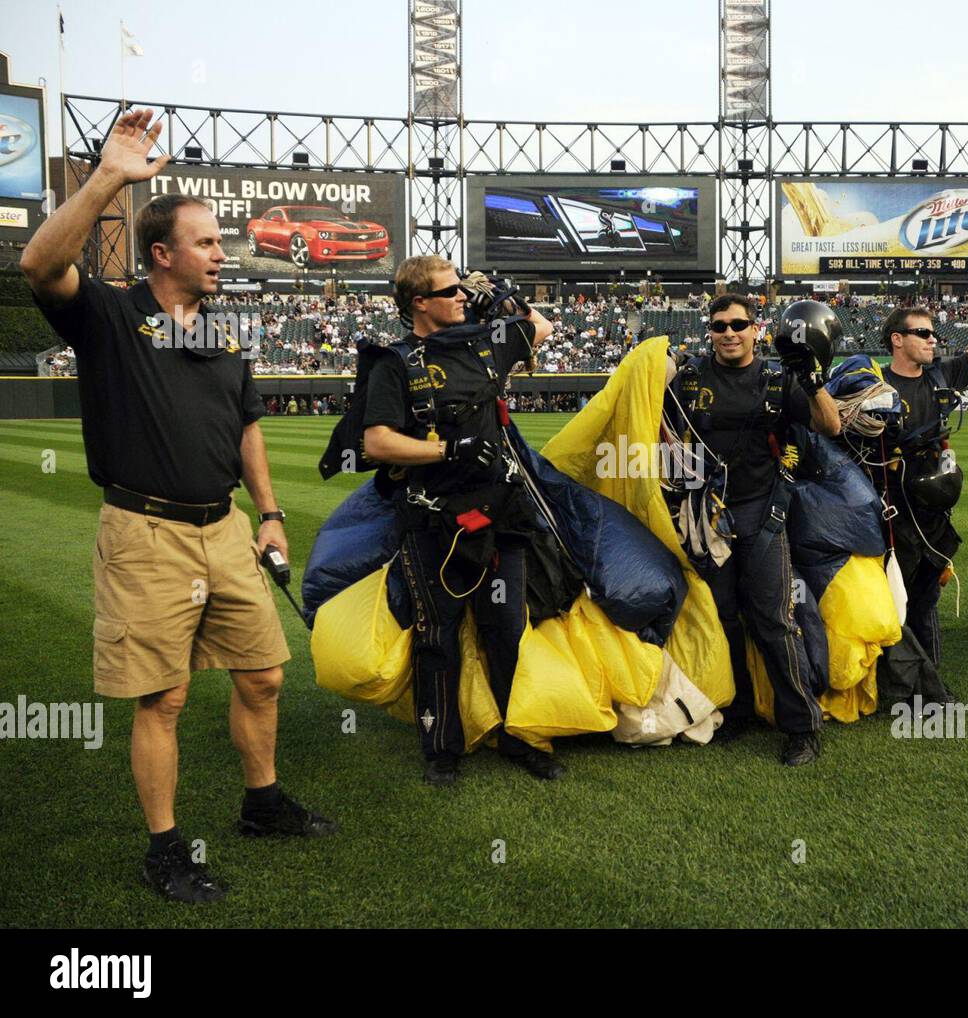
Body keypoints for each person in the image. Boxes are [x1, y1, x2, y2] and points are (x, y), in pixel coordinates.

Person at [19, 107, 335, 905]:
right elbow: (38, 263)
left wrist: (268, 514)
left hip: (224, 529)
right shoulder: (113, 315)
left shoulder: (226, 333)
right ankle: (165, 849)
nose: (222, 254)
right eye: (207, 243)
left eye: (220, 243)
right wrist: (107, 178)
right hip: (146, 531)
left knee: (263, 675)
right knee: (164, 697)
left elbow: (249, 425)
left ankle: (261, 805)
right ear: (163, 254)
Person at [361, 256, 561, 785]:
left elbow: (541, 328)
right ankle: (441, 749)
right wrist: (452, 450)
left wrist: (505, 303)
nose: (462, 297)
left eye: (464, 291)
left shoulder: (486, 340)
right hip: (434, 519)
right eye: (450, 291)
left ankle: (518, 734)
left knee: (507, 630)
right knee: (438, 635)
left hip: (500, 512)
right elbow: (377, 441)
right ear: (417, 302)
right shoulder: (395, 363)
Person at [666, 294, 842, 766]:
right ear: (710, 330)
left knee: (775, 622)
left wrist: (812, 380)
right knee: (724, 619)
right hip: (707, 520)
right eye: (720, 325)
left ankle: (803, 727)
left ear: (755, 328)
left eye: (738, 324)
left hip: (763, 515)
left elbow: (830, 425)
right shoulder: (687, 377)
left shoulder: (778, 378)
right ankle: (738, 709)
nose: (729, 333)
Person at [872, 255, 968, 672]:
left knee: (927, 594)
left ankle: (925, 678)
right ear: (897, 339)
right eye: (922, 334)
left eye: (933, 334)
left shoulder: (943, 373)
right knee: (893, 594)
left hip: (933, 507)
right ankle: (889, 676)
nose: (933, 340)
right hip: (889, 507)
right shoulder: (874, 381)